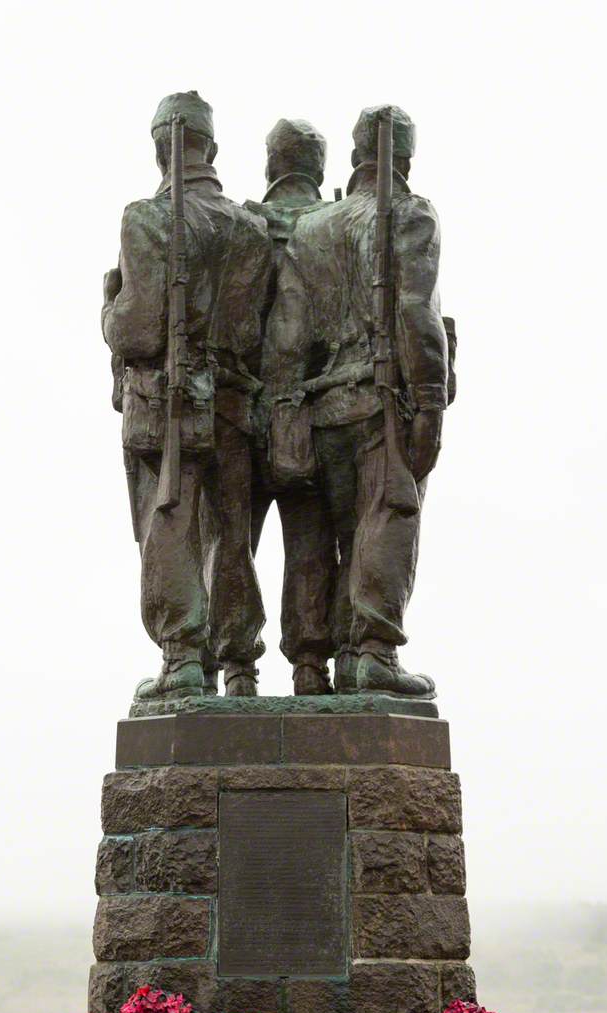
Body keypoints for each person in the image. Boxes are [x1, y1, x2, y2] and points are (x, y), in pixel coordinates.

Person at [263, 104, 451, 697]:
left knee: (312, 540)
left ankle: (309, 666)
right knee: (387, 518)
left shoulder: (313, 228)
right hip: (382, 405)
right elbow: (417, 316)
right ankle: (371, 653)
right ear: (408, 158)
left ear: (353, 159)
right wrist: (430, 401)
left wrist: (289, 411)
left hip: (319, 411)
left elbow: (286, 337)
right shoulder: (412, 215)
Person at [102, 91, 271, 700]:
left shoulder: (143, 219)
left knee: (168, 524)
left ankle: (182, 659)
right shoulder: (251, 226)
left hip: (166, 403)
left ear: (158, 150)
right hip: (233, 401)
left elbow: (139, 328)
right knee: (232, 533)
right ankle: (240, 666)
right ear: (212, 148)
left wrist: (107, 309)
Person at [245, 118, 337, 695]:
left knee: (230, 542)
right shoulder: (337, 226)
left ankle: (234, 669)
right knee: (311, 540)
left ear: (270, 166)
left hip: (240, 406)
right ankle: (309, 665)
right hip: (317, 405)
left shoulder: (242, 221)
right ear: (320, 170)